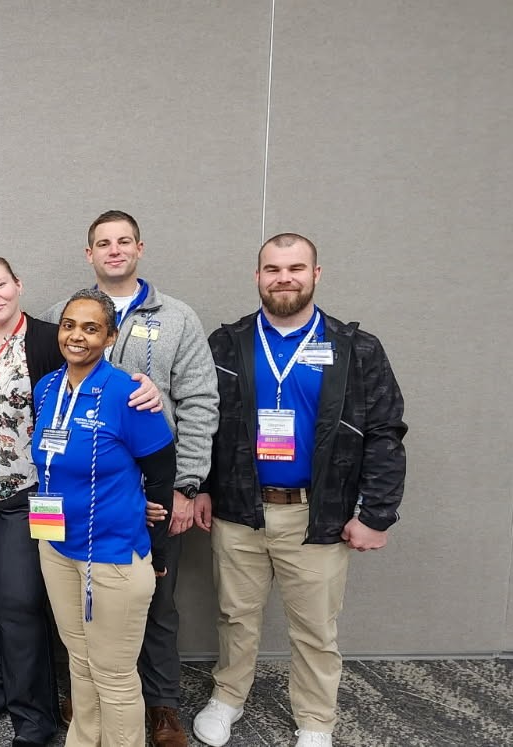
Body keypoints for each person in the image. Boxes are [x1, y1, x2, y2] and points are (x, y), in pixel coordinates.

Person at [190, 234, 406, 747]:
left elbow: (385, 431)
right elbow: (202, 420)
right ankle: (228, 698)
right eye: (272, 268)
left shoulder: (355, 347)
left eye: (295, 268)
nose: (283, 277)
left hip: (317, 516)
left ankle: (315, 721)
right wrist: (195, 487)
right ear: (257, 276)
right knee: (234, 616)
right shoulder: (227, 343)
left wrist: (376, 513)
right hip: (239, 511)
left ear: (316, 274)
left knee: (314, 629)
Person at [0, 256, 167, 747]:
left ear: (18, 284)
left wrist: (145, 387)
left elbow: (94, 378)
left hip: (29, 501)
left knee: (19, 604)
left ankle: (34, 717)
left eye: (0, 284)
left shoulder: (49, 339)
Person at [44, 209, 218, 747]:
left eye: (124, 241)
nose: (114, 250)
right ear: (88, 252)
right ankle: (86, 723)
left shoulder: (177, 317)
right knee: (83, 649)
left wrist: (184, 487)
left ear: (139, 248)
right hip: (67, 525)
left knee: (157, 608)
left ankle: (162, 705)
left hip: (147, 504)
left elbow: (199, 403)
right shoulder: (57, 328)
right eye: (103, 242)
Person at [34, 289, 180, 747]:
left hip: (112, 554)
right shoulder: (48, 388)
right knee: (79, 659)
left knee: (114, 675)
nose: (77, 336)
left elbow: (161, 473)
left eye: (91, 327)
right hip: (56, 546)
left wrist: (156, 545)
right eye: (69, 325)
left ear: (111, 336)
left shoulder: (130, 394)